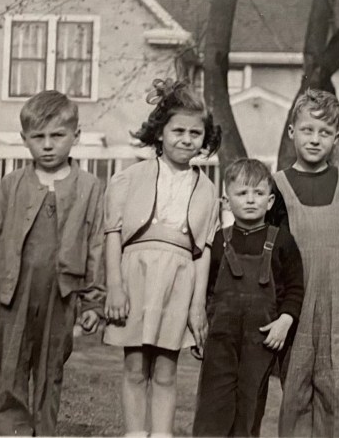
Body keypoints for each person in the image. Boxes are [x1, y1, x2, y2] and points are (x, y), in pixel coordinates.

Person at [0, 90, 107, 436]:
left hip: (61, 295)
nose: (48, 145)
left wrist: (93, 301)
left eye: (57, 135)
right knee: (12, 370)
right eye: (38, 137)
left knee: (51, 372)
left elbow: (96, 244)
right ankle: (14, 432)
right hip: (15, 293)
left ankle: (45, 431)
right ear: (24, 139)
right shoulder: (11, 184)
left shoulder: (90, 187)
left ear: (76, 136)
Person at [102, 78, 221, 438]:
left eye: (195, 133)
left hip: (179, 283)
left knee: (167, 372)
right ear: (160, 132)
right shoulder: (129, 178)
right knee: (135, 368)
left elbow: (203, 251)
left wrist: (197, 306)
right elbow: (113, 235)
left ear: (205, 139)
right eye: (178, 131)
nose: (186, 139)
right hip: (136, 276)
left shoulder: (207, 190)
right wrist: (115, 287)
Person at [193, 158, 304, 437]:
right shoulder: (218, 241)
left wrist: (284, 321)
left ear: (270, 201)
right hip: (220, 339)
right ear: (227, 201)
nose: (251, 200)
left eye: (259, 193)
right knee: (212, 407)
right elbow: (205, 289)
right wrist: (200, 326)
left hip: (261, 340)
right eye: (242, 193)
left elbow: (295, 289)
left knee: (249, 409)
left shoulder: (283, 241)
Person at [271, 88, 339, 437]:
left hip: (338, 305)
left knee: (336, 392)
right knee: (295, 391)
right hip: (296, 303)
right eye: (307, 130)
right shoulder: (278, 185)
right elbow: (273, 255)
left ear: (337, 138)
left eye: (325, 132)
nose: (315, 139)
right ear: (292, 131)